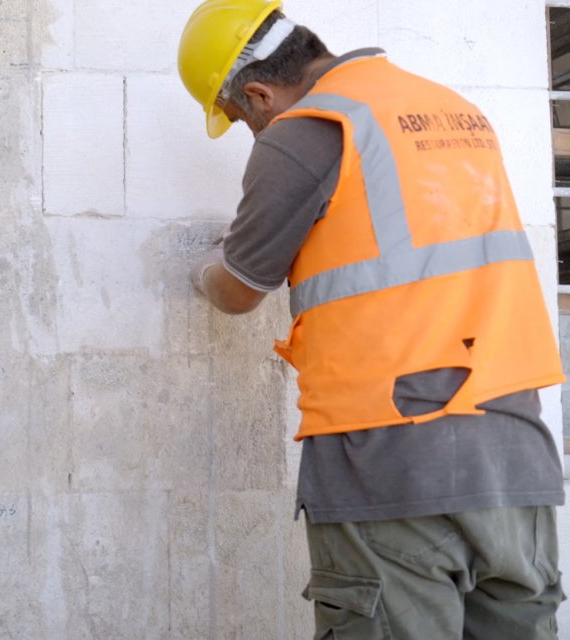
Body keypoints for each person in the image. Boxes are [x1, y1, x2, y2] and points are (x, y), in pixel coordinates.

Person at [179, 1, 566, 637]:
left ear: (257, 91)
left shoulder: (305, 132)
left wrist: (202, 267)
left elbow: (240, 289)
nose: (253, 131)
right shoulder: (451, 110)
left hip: (388, 461)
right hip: (513, 459)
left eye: (241, 117)